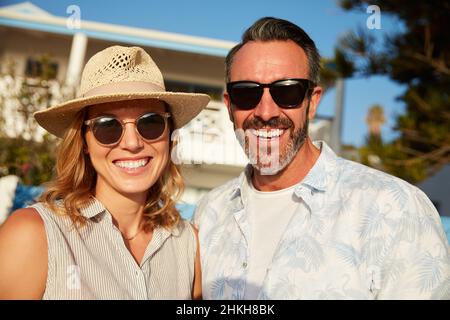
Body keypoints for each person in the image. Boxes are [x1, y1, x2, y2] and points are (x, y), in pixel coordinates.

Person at [193, 17, 450, 300]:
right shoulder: (209, 214)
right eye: (246, 93)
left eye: (287, 91)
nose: (266, 112)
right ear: (229, 106)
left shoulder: (394, 209)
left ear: (312, 101)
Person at [0, 45, 210, 299]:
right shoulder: (33, 234)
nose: (132, 143)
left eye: (150, 123)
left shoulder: (190, 245)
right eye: (107, 126)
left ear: (169, 136)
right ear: (84, 142)